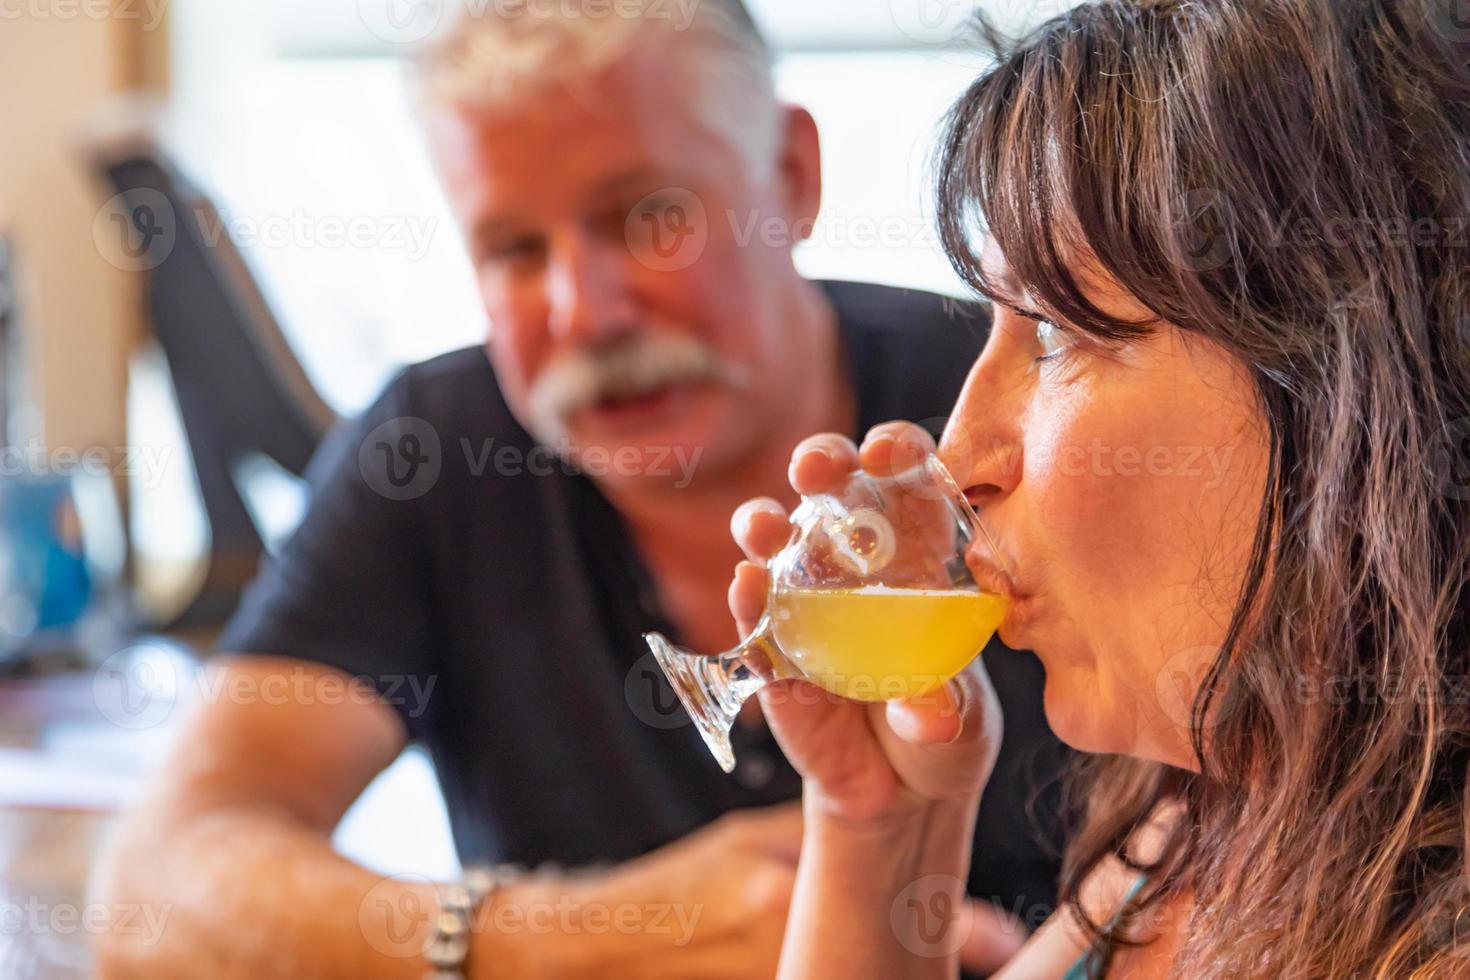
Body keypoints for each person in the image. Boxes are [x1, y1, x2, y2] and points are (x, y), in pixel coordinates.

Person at [91, 2, 1070, 978]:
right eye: (515, 249)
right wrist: (591, 936)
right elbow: (155, 888)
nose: (584, 311)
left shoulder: (1022, 416)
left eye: (652, 218)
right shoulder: (432, 454)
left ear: (792, 176)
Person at [725, 0, 1470, 976]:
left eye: (1054, 334)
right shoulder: (1203, 829)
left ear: (1350, 386)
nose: (959, 454)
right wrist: (881, 824)